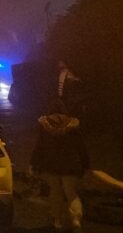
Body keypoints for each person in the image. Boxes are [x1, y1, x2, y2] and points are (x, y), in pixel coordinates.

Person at [31, 98, 90, 232]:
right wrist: (86, 165)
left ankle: (57, 221)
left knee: (55, 192)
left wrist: (33, 163)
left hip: (52, 164)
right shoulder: (73, 126)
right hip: (71, 164)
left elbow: (39, 146)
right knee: (71, 194)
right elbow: (81, 147)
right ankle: (76, 220)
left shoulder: (44, 126)